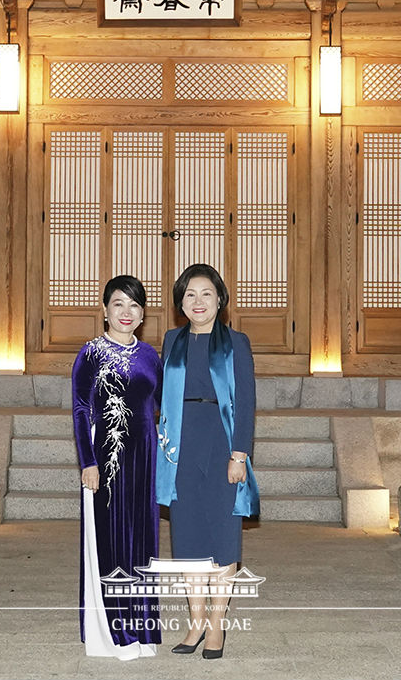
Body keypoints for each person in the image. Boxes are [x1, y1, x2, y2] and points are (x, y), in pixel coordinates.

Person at [156, 263, 259, 660]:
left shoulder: (236, 342)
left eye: (206, 294)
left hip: (221, 443)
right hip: (181, 445)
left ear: (220, 299)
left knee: (222, 534)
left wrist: (239, 453)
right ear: (181, 303)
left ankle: (217, 625)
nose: (198, 302)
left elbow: (246, 400)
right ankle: (195, 621)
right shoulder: (172, 340)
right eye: (189, 295)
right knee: (187, 538)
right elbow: (162, 395)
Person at [72, 275, 162, 660]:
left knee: (142, 541)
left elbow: (160, 408)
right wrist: (87, 462)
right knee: (110, 540)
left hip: (145, 459)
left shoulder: (150, 356)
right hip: (105, 459)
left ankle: (141, 630)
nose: (127, 312)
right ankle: (113, 635)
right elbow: (79, 410)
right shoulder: (90, 353)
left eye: (135, 305)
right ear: (105, 309)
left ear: (142, 314)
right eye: (119, 304)